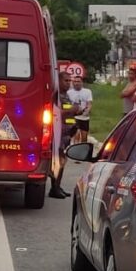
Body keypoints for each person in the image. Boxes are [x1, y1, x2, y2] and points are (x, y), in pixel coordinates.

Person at [50, 70, 74, 199]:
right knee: (58, 161)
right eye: (66, 81)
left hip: (66, 134)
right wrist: (71, 110)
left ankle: (58, 186)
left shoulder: (67, 96)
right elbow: (55, 113)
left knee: (63, 161)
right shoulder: (56, 96)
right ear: (58, 81)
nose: (68, 83)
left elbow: (68, 114)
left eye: (69, 81)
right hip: (58, 133)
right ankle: (54, 188)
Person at [67, 75, 93, 143]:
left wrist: (87, 111)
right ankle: (74, 149)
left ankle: (82, 150)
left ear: (82, 82)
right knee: (76, 135)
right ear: (72, 83)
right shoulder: (69, 92)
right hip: (73, 117)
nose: (76, 83)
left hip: (84, 117)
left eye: (78, 81)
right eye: (75, 81)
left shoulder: (87, 91)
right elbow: (66, 104)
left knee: (84, 138)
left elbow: (89, 103)